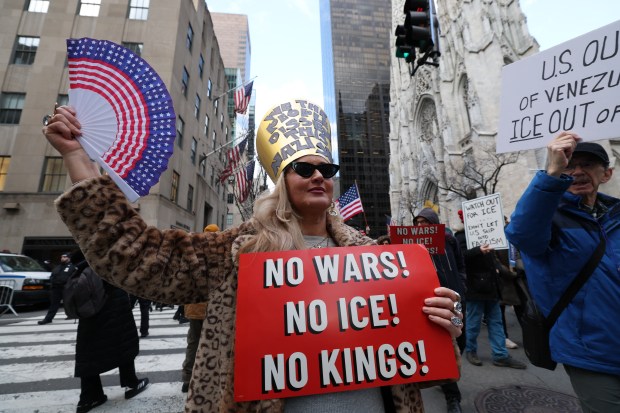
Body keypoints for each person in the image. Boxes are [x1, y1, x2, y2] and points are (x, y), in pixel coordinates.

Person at [43, 99, 463, 412]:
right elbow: (137, 258)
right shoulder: (237, 251)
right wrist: (77, 157)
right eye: (304, 168)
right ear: (281, 181)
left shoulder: (377, 259)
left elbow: (422, 370)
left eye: (327, 170)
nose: (319, 175)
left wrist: (445, 326)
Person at [505, 132, 620, 412]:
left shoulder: (615, 216)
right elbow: (521, 233)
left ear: (606, 174)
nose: (578, 171)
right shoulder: (548, 218)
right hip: (592, 351)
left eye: (588, 165)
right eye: (570, 165)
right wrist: (552, 172)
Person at [69, 249, 149, 413]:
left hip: (91, 316)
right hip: (114, 307)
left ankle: (89, 396)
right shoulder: (107, 262)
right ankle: (131, 383)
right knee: (125, 343)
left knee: (88, 352)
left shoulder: (81, 266)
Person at [454, 213, 526, 370]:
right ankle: (471, 351)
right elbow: (461, 256)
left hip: (492, 286)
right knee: (473, 323)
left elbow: (494, 259)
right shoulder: (461, 236)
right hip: (475, 287)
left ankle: (500, 355)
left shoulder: (491, 233)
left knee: (496, 321)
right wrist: (478, 250)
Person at [413, 208, 467, 413]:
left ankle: (446, 378)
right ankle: (453, 397)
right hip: (435, 304)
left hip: (457, 301)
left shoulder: (449, 241)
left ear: (434, 224)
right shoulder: (414, 247)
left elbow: (461, 265)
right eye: (417, 223)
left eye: (425, 222)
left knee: (460, 341)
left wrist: (463, 286)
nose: (420, 227)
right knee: (445, 346)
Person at [180, 223, 220, 393]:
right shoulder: (220, 253)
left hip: (194, 308)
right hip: (213, 308)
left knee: (193, 342)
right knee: (213, 343)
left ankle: (187, 378)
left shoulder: (194, 252)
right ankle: (210, 376)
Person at [38, 252, 74, 325]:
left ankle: (71, 315)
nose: (62, 258)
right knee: (54, 304)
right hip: (56, 288)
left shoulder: (72, 266)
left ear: (69, 258)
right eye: (62, 257)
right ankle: (48, 319)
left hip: (65, 287)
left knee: (68, 302)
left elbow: (67, 277)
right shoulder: (58, 266)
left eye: (64, 257)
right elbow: (53, 275)